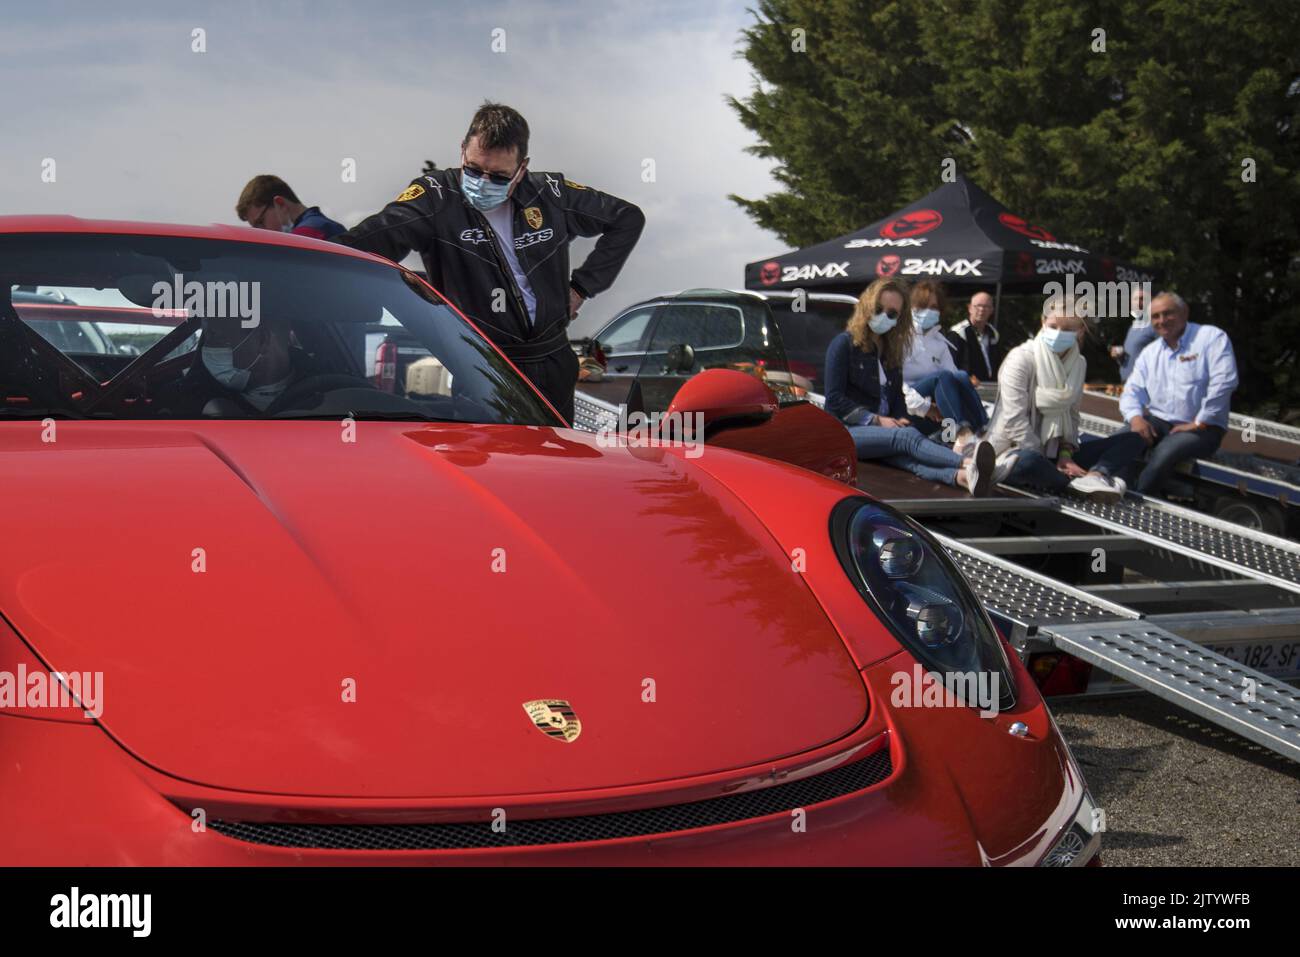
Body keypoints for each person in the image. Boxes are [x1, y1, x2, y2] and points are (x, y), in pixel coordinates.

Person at [335, 102, 645, 423]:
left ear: (521, 169)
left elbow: (627, 218)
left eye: (498, 176)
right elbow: (364, 242)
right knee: (494, 467)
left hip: (553, 360)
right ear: (462, 152)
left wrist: (582, 286)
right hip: (485, 369)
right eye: (473, 169)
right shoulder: (436, 197)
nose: (482, 182)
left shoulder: (550, 194)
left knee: (555, 465)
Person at [824, 278, 998, 495]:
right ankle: (968, 464)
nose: (884, 316)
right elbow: (833, 399)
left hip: (881, 431)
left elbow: (896, 396)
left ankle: (962, 478)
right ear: (867, 306)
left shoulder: (891, 351)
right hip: (846, 433)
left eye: (892, 313)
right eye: (879, 309)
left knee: (907, 458)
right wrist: (877, 420)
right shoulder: (843, 344)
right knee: (907, 437)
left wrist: (899, 418)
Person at [985, 297, 1148, 501]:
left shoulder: (1079, 363)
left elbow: (1072, 415)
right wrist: (1043, 457)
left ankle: (1096, 476)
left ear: (1080, 331)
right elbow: (1014, 420)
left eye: (1068, 328)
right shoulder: (1021, 358)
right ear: (1043, 322)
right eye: (1053, 326)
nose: (1058, 333)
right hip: (1018, 449)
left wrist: (1065, 455)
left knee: (1133, 439)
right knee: (1027, 462)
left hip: (1055, 454)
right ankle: (1074, 484)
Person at [1119, 291, 1239, 495]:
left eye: (1168, 313)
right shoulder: (1151, 352)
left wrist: (1200, 421)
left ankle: (1137, 502)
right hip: (1160, 421)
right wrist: (1136, 418)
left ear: (1184, 313)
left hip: (1204, 429)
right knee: (1120, 441)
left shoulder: (1210, 337)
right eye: (1155, 316)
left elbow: (1225, 381)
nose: (1161, 321)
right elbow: (1132, 391)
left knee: (1164, 454)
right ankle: (1113, 490)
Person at [902, 280, 989, 442]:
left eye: (934, 307)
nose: (928, 311)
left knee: (961, 376)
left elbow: (955, 378)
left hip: (935, 405)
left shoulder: (940, 342)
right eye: (923, 306)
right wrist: (925, 407)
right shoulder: (901, 338)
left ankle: (983, 430)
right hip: (907, 403)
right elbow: (894, 383)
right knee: (941, 377)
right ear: (912, 307)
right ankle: (961, 433)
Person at [235, 175, 346, 240]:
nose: (260, 232)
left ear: (280, 204)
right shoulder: (325, 225)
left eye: (261, 222)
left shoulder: (305, 235)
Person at [944, 290, 1004, 383]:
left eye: (986, 306)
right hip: (966, 387)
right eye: (978, 306)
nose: (981, 309)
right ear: (970, 308)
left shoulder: (994, 334)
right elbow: (949, 365)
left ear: (992, 310)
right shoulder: (958, 333)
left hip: (991, 387)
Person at [1110, 284, 1158, 383]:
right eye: (1135, 299)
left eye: (1142, 299)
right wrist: (1120, 356)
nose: (1138, 303)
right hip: (1126, 382)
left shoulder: (1156, 324)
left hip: (1144, 383)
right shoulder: (1133, 325)